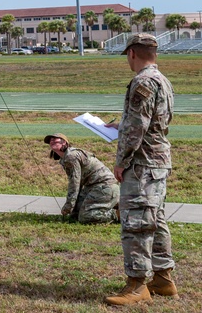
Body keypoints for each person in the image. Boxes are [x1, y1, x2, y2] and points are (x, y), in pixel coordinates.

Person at [104, 33, 176, 306]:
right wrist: (119, 125)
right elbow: (154, 121)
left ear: (132, 53)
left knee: (136, 224)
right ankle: (163, 279)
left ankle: (137, 285)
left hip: (142, 163)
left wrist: (121, 161)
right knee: (155, 220)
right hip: (157, 161)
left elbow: (137, 128)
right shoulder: (162, 80)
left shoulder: (142, 81)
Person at [43, 133, 118, 224]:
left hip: (105, 185)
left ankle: (119, 214)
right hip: (93, 186)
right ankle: (113, 204)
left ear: (64, 142)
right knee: (75, 214)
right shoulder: (65, 158)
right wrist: (73, 207)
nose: (52, 141)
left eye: (56, 139)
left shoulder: (71, 156)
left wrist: (69, 205)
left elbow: (75, 183)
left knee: (85, 217)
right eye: (50, 140)